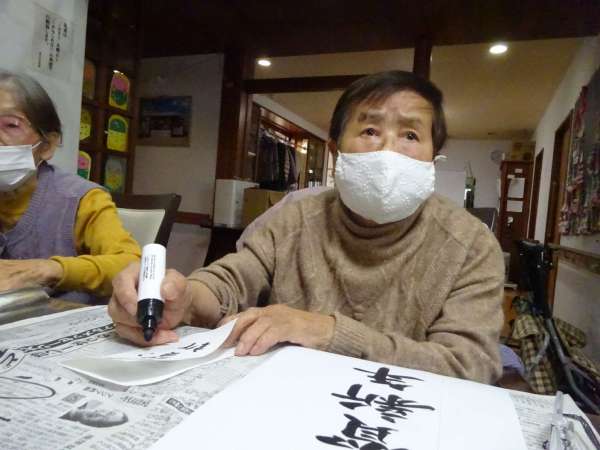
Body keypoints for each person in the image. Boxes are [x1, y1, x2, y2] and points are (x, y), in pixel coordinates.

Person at [109, 71, 505, 383]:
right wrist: (183, 298)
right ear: (336, 151)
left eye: (411, 135)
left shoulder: (471, 245)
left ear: (433, 158)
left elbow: (469, 365)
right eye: (370, 130)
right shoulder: (295, 217)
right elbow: (232, 279)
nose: (388, 149)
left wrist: (328, 332)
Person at [0, 71, 141, 303]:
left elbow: (132, 264)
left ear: (47, 145)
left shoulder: (81, 199)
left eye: (11, 125)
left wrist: (48, 270)